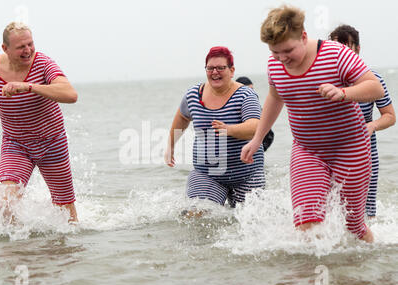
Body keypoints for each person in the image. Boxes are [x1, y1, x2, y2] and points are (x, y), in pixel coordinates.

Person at [240, 6, 385, 243]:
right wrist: (257, 139)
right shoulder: (274, 64)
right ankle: (311, 275)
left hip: (350, 148)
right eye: (275, 52)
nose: (282, 58)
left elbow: (375, 87)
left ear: (304, 37)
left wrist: (343, 92)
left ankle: (364, 274)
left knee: (353, 227)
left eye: (288, 50)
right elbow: (275, 98)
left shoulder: (335, 54)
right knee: (306, 220)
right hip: (308, 150)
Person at [0, 22, 79, 224]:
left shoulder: (44, 64)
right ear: (5, 49)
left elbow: (71, 95)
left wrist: (29, 87)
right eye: (21, 46)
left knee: (66, 215)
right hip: (16, 144)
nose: (27, 50)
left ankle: (66, 253)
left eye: (30, 44)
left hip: (52, 142)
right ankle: (19, 252)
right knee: (5, 204)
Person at [165, 47, 265, 210]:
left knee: (248, 221)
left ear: (232, 71)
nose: (214, 72)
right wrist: (170, 146)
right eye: (210, 68)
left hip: (247, 174)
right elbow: (183, 118)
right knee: (197, 214)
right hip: (207, 174)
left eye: (220, 68)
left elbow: (256, 127)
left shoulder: (245, 95)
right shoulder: (193, 95)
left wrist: (229, 130)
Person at [329, 24, 396, 218]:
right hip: (330, 152)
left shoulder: (373, 80)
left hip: (366, 151)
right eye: (335, 46)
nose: (340, 51)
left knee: (365, 213)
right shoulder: (324, 80)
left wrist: (372, 125)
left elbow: (390, 116)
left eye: (345, 45)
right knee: (331, 211)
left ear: (357, 49)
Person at [236, 76, 275, 152]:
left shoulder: (258, 110)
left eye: (252, 90)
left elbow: (269, 135)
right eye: (248, 90)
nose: (250, 93)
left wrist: (259, 149)